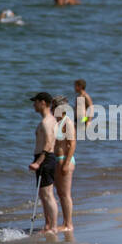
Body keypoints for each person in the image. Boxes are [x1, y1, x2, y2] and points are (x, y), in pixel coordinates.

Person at [29, 91, 60, 233]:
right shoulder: (51, 120)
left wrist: (38, 162)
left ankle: (53, 227)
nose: (34, 104)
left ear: (43, 103)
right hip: (46, 158)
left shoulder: (47, 122)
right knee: (43, 194)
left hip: (45, 158)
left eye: (35, 102)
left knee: (47, 194)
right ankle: (48, 225)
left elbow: (48, 144)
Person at [51, 98, 77, 232]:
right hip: (57, 159)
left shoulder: (68, 122)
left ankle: (68, 224)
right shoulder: (57, 122)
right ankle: (65, 222)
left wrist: (66, 163)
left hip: (65, 159)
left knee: (65, 194)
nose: (51, 110)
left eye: (54, 108)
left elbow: (72, 143)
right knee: (60, 193)